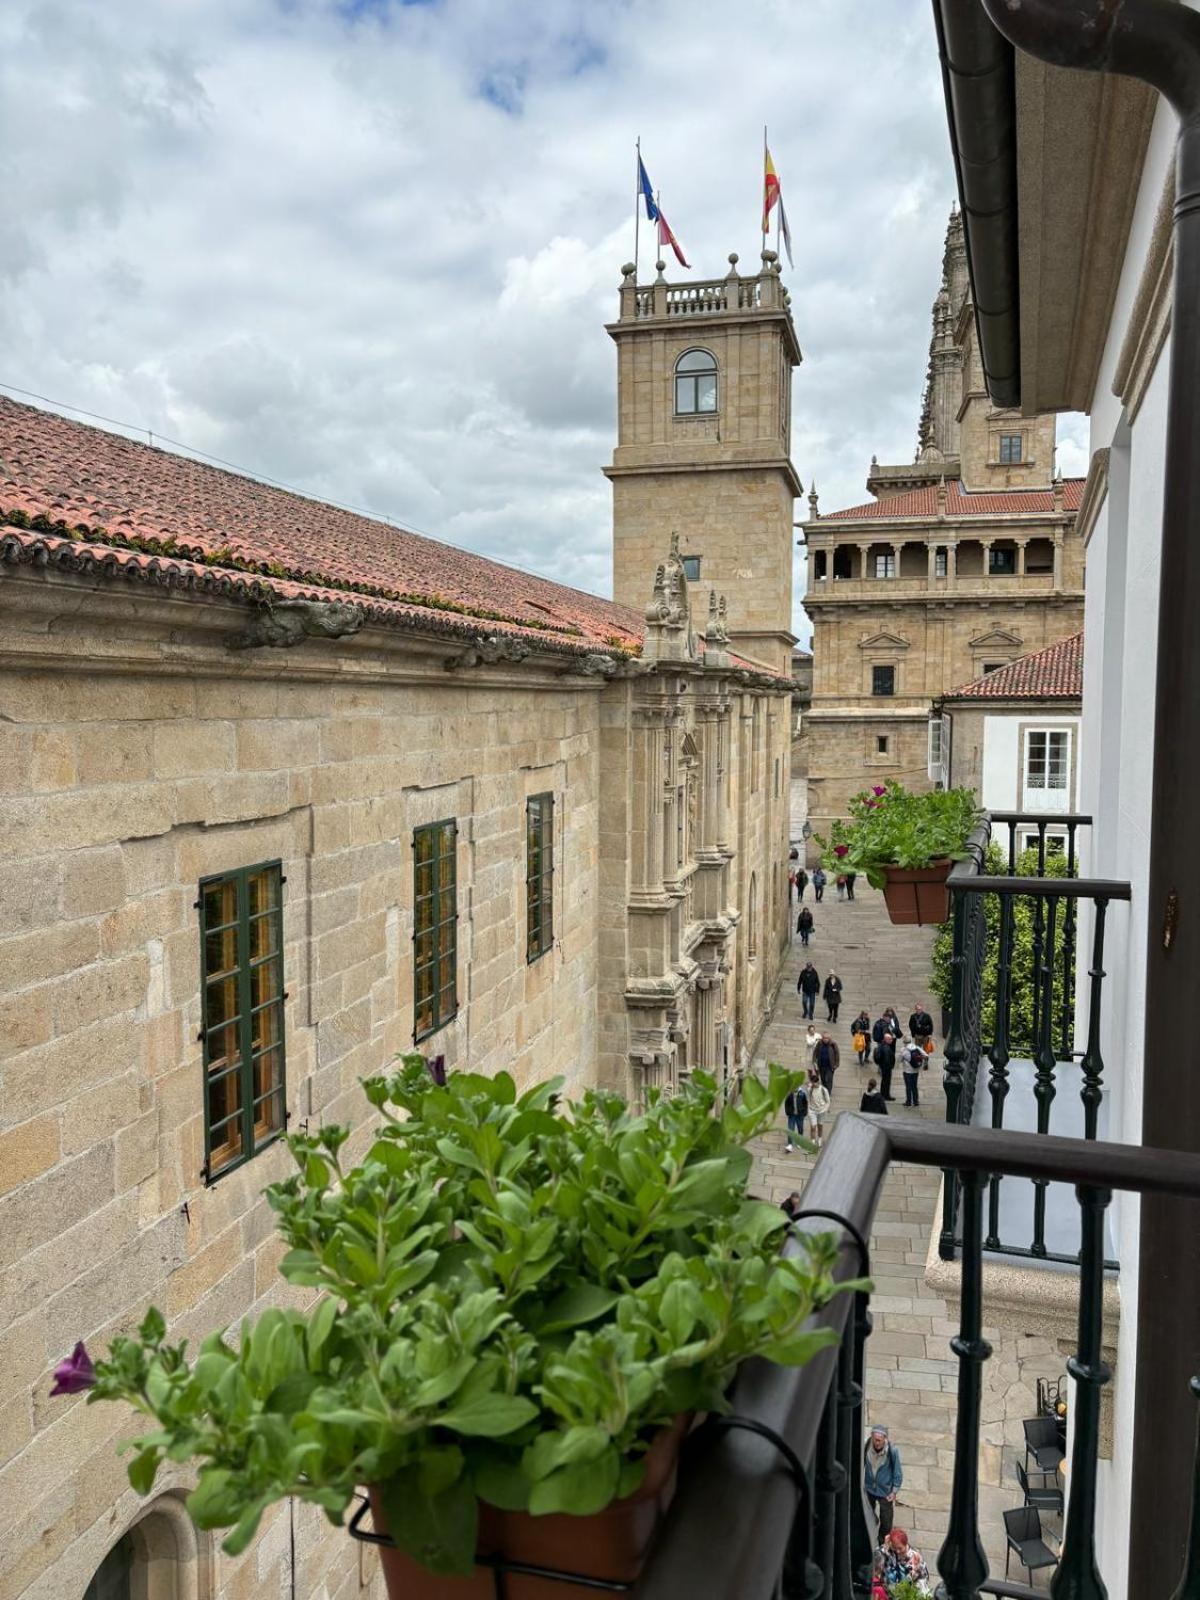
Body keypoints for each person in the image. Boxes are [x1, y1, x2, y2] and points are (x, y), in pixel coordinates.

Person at [864, 1426, 903, 1540]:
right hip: (869, 1487)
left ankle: (882, 1542)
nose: (876, 1443)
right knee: (868, 1514)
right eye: (874, 1439)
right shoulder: (867, 1446)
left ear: (885, 1439)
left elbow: (898, 1472)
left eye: (879, 1440)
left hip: (885, 1491)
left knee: (886, 1521)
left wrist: (894, 1490)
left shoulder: (892, 1451)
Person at [806, 1069, 830, 1148]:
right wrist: (809, 1108)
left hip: (821, 1110)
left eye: (815, 1083)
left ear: (818, 1082)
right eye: (813, 1083)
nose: (814, 1084)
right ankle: (812, 1141)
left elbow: (828, 1101)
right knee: (813, 1127)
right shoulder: (810, 1089)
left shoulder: (823, 1090)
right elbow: (808, 1099)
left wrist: (825, 1109)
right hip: (812, 1110)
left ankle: (819, 1138)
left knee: (820, 1125)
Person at [783, 1082, 807, 1152]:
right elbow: (786, 1103)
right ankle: (790, 1144)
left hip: (800, 1115)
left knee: (800, 1128)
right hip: (792, 1115)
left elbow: (805, 1103)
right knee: (791, 1129)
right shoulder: (789, 1094)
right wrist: (788, 1112)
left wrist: (804, 1113)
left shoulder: (802, 1094)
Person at [902, 1039, 926, 1108]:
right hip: (915, 1071)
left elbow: (899, 1060)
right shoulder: (917, 1048)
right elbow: (926, 1055)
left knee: (908, 1087)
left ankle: (908, 1102)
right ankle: (916, 1101)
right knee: (914, 1086)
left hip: (907, 1071)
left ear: (904, 1043)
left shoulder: (904, 1050)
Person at [873, 1031, 897, 1101]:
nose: (892, 1040)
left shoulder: (882, 1045)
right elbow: (887, 1059)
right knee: (886, 1082)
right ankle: (886, 1095)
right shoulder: (886, 1048)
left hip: (883, 1067)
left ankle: (883, 1094)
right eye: (890, 1039)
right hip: (886, 1068)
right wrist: (889, 1066)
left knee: (884, 1081)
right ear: (886, 1040)